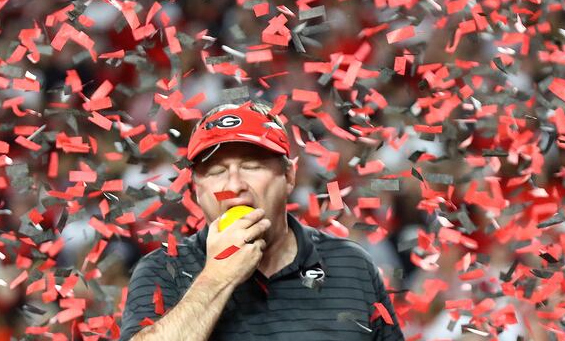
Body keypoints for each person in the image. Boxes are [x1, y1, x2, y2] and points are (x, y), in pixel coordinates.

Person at [118, 101, 404, 340]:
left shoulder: (352, 265)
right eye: (217, 172)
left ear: (289, 176)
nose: (235, 184)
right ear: (196, 188)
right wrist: (216, 278)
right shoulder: (162, 269)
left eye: (251, 167)